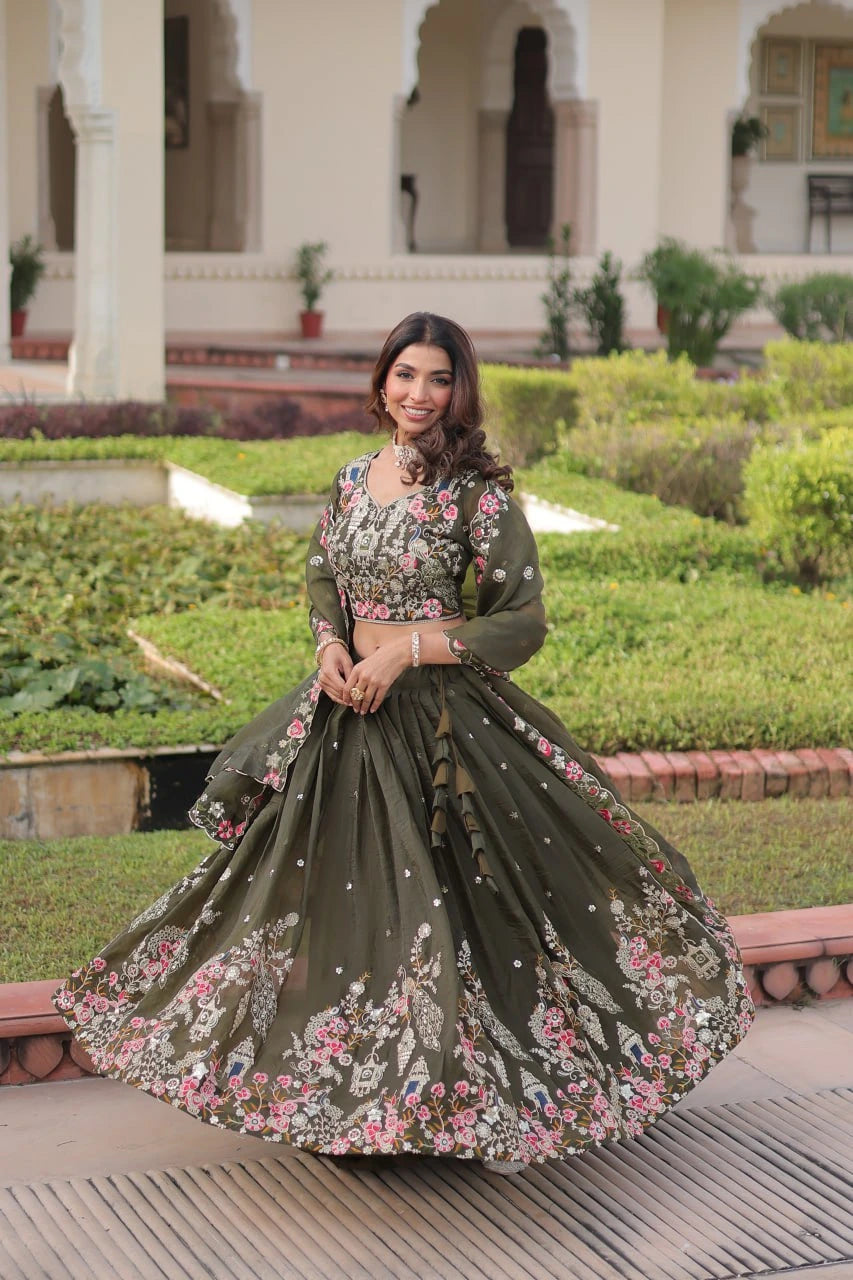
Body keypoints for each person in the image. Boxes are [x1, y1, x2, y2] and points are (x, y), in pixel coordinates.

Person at [52, 312, 755, 1174]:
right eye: (405, 375)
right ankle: (353, 1094)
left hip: (444, 724)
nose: (419, 395)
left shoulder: (477, 492)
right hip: (346, 711)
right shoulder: (353, 479)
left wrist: (409, 650)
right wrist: (334, 648)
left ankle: (454, 1095)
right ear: (381, 381)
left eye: (438, 379)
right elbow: (321, 574)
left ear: (459, 390)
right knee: (328, 902)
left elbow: (520, 617)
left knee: (448, 903)